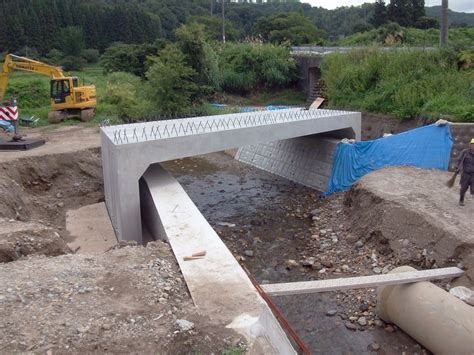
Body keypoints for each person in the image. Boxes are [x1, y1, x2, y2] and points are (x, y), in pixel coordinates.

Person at [456, 138, 474, 206]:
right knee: (463, 188)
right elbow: (459, 160)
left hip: (473, 175)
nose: (473, 146)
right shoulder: (465, 152)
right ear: (470, 145)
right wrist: (457, 167)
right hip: (465, 174)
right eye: (472, 144)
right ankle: (461, 200)